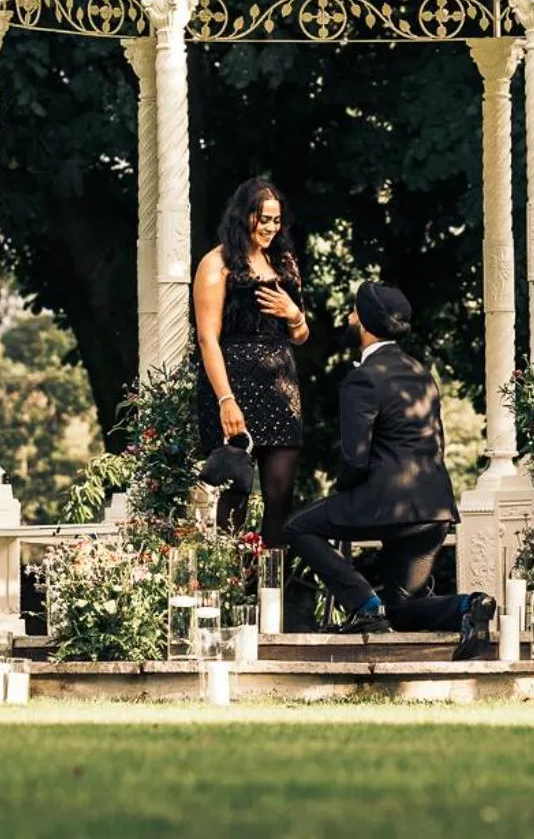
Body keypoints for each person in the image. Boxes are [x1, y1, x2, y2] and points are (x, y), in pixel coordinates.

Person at [283, 281, 498, 660]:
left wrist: (344, 495)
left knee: (299, 527)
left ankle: (364, 605)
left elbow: (353, 459)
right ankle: (470, 606)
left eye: (353, 312)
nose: (349, 317)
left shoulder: (362, 377)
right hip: (434, 510)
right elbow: (437, 443)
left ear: (365, 321)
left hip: (388, 502)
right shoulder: (421, 373)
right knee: (400, 608)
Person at [193, 177, 310, 547]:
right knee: (235, 493)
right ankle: (230, 594)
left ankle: (270, 597)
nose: (271, 228)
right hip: (234, 385)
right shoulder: (217, 263)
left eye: (277, 220)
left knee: (280, 498)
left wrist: (294, 314)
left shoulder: (285, 262)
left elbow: (301, 334)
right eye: (264, 219)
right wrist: (226, 400)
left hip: (281, 390)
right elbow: (207, 337)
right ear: (245, 216)